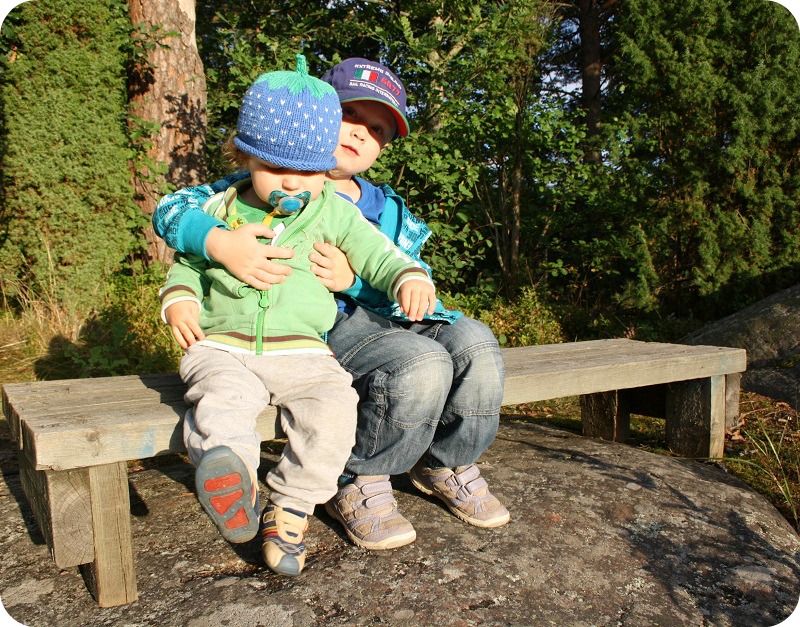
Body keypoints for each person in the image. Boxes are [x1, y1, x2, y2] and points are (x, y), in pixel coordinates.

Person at [153, 56, 509, 554]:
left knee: (475, 342)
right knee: (420, 363)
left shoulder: (384, 209)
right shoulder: (240, 193)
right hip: (313, 329)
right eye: (351, 116)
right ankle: (348, 478)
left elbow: (399, 265)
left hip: (377, 314)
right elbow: (173, 215)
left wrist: (356, 281)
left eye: (378, 128)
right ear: (318, 118)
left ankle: (445, 461)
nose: (361, 132)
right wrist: (217, 246)